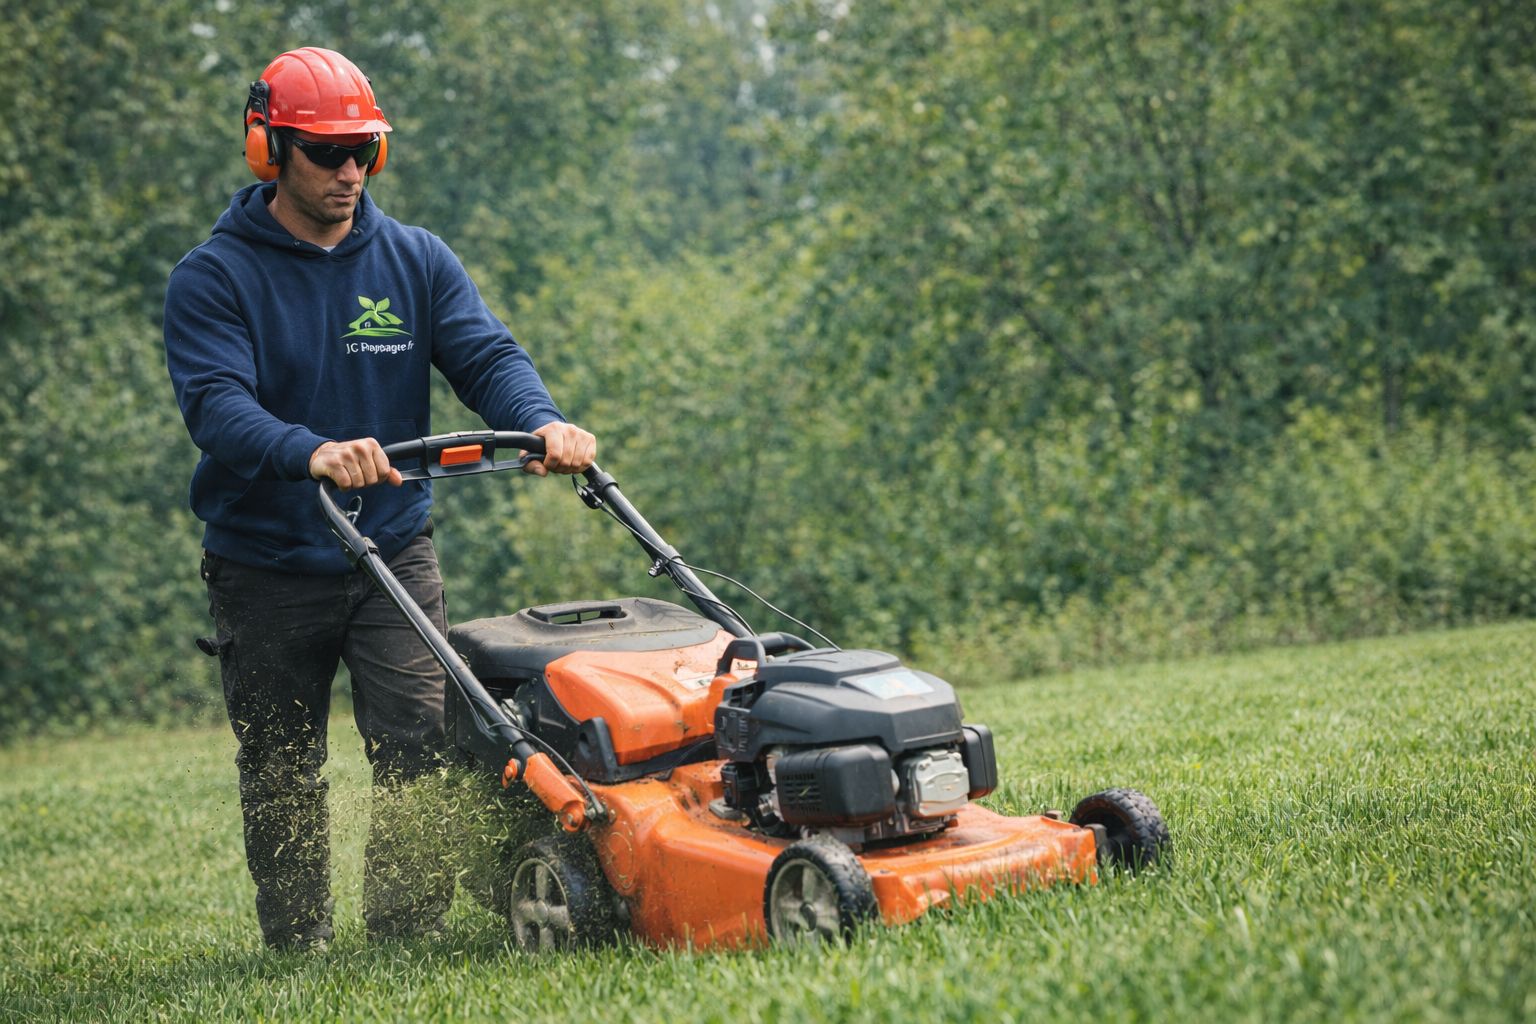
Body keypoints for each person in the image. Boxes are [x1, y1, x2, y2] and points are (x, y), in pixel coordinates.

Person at [162, 46, 595, 951]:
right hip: (266, 562)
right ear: (268, 149)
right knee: (281, 765)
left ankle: (406, 932)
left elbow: (486, 356)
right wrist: (311, 451)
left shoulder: (414, 260)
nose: (349, 171)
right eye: (326, 153)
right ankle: (299, 938)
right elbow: (218, 408)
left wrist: (543, 422)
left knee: (419, 741)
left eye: (363, 149)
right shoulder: (214, 277)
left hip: (392, 548)